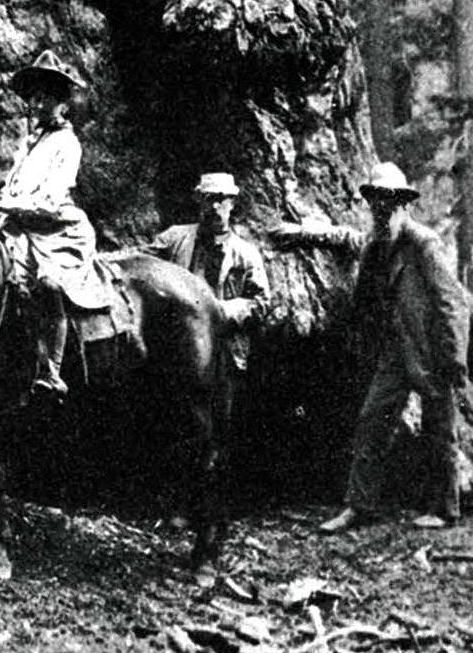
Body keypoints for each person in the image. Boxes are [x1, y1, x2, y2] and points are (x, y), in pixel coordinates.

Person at [269, 161, 468, 532]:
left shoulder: (423, 244)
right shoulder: (376, 244)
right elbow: (348, 240)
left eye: (390, 203)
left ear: (405, 205)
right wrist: (305, 233)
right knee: (371, 422)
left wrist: (455, 360)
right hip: (394, 353)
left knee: (440, 431)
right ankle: (360, 506)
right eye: (377, 202)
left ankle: (444, 508)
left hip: (430, 352)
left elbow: (452, 302)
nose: (383, 209)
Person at [0, 49, 101, 397]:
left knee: (48, 284)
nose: (37, 103)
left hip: (57, 230)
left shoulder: (67, 144)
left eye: (45, 96)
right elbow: (12, 188)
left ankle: (52, 371)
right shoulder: (30, 143)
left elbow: (48, 201)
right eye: (33, 96)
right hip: (20, 227)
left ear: (63, 103)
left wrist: (5, 204)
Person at [149, 171, 268, 373]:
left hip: (225, 350)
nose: (214, 206)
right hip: (178, 348)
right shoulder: (175, 238)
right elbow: (142, 258)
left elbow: (260, 302)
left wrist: (217, 311)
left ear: (232, 203)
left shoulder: (246, 254)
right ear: (199, 202)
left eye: (221, 199)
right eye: (209, 199)